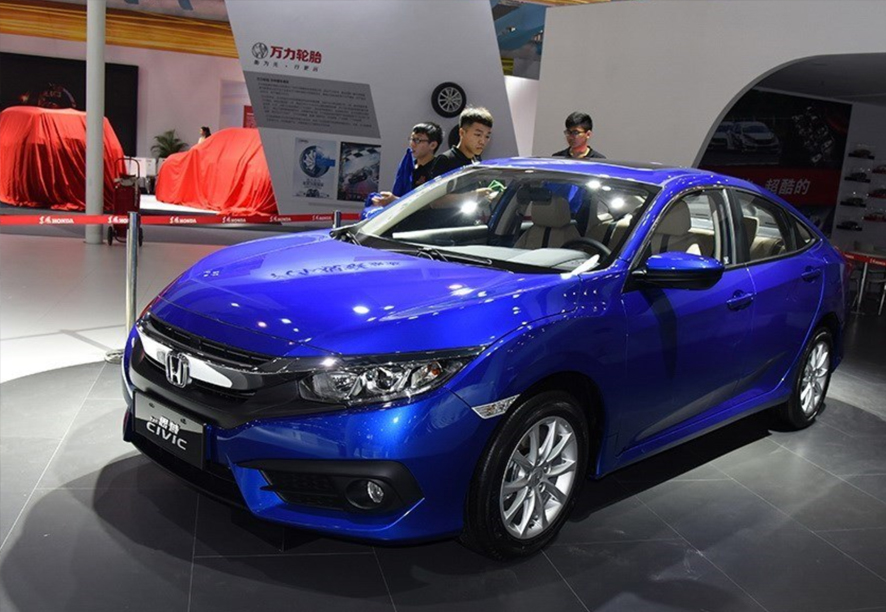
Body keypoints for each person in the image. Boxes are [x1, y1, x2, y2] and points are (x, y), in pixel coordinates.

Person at [370, 122, 444, 208]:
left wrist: (395, 201)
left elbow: (429, 205)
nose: (412, 144)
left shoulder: (437, 170)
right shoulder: (408, 165)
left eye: (417, 140)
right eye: (412, 139)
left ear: (433, 145)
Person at [429, 106, 493, 179]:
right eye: (478, 135)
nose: (482, 141)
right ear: (462, 133)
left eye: (487, 136)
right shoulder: (446, 160)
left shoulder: (476, 160)